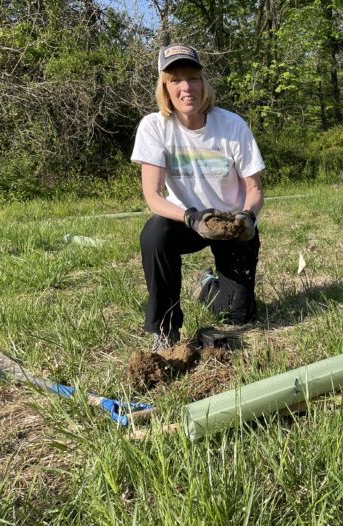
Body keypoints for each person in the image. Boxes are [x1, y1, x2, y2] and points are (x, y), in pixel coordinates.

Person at [131, 44, 265, 352]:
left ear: (203, 83)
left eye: (192, 78)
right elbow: (152, 196)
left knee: (241, 316)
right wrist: (192, 217)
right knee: (155, 232)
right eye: (175, 80)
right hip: (186, 221)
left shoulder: (232, 126)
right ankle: (165, 327)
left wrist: (248, 216)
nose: (185, 87)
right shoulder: (154, 127)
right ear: (164, 88)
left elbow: (254, 189)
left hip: (231, 224)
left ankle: (206, 287)